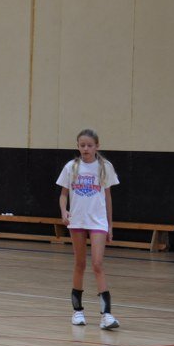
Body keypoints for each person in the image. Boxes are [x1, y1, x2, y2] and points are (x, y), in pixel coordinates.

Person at [57, 129, 120, 330]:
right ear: (78, 146)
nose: (86, 148)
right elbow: (63, 194)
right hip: (77, 221)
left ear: (97, 146)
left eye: (89, 145)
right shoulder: (71, 167)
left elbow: (108, 197)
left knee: (98, 264)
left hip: (98, 222)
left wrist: (110, 225)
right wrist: (64, 211)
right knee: (80, 264)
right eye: (82, 145)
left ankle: (106, 315)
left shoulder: (104, 166)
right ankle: (77, 312)